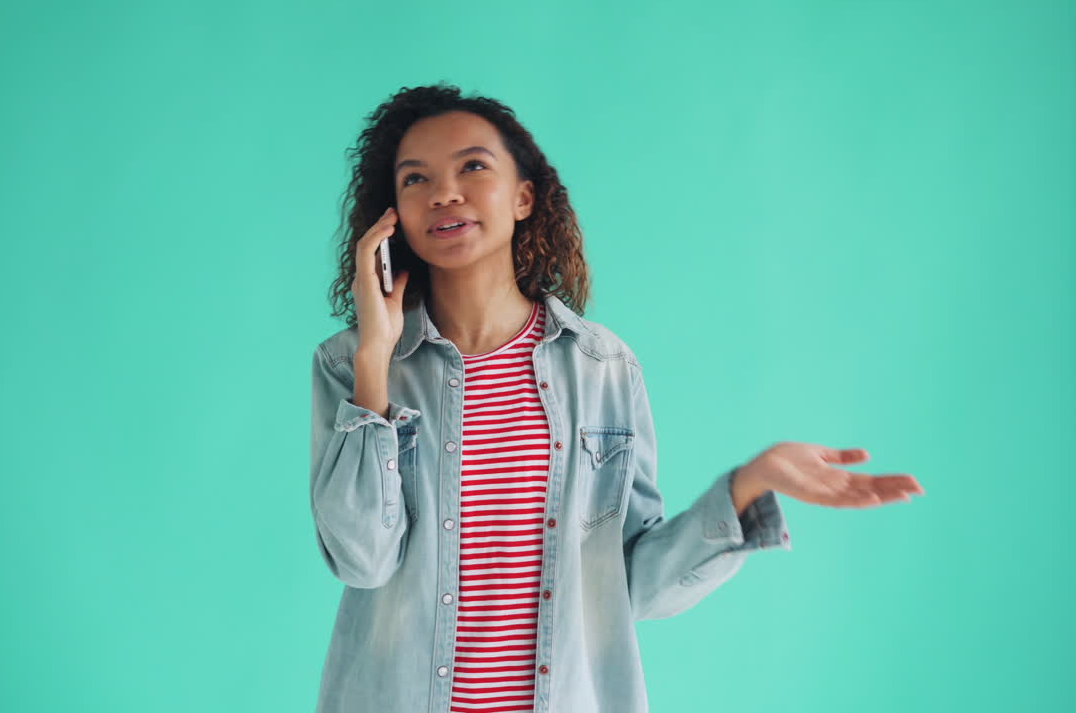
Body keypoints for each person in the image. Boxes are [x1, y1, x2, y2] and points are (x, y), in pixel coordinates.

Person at [308, 83, 924, 713]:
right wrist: (374, 364)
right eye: (415, 179)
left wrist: (747, 485)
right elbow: (362, 561)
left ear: (524, 198)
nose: (443, 192)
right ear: (394, 216)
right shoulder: (349, 365)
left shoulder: (603, 368)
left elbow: (634, 587)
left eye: (472, 166)